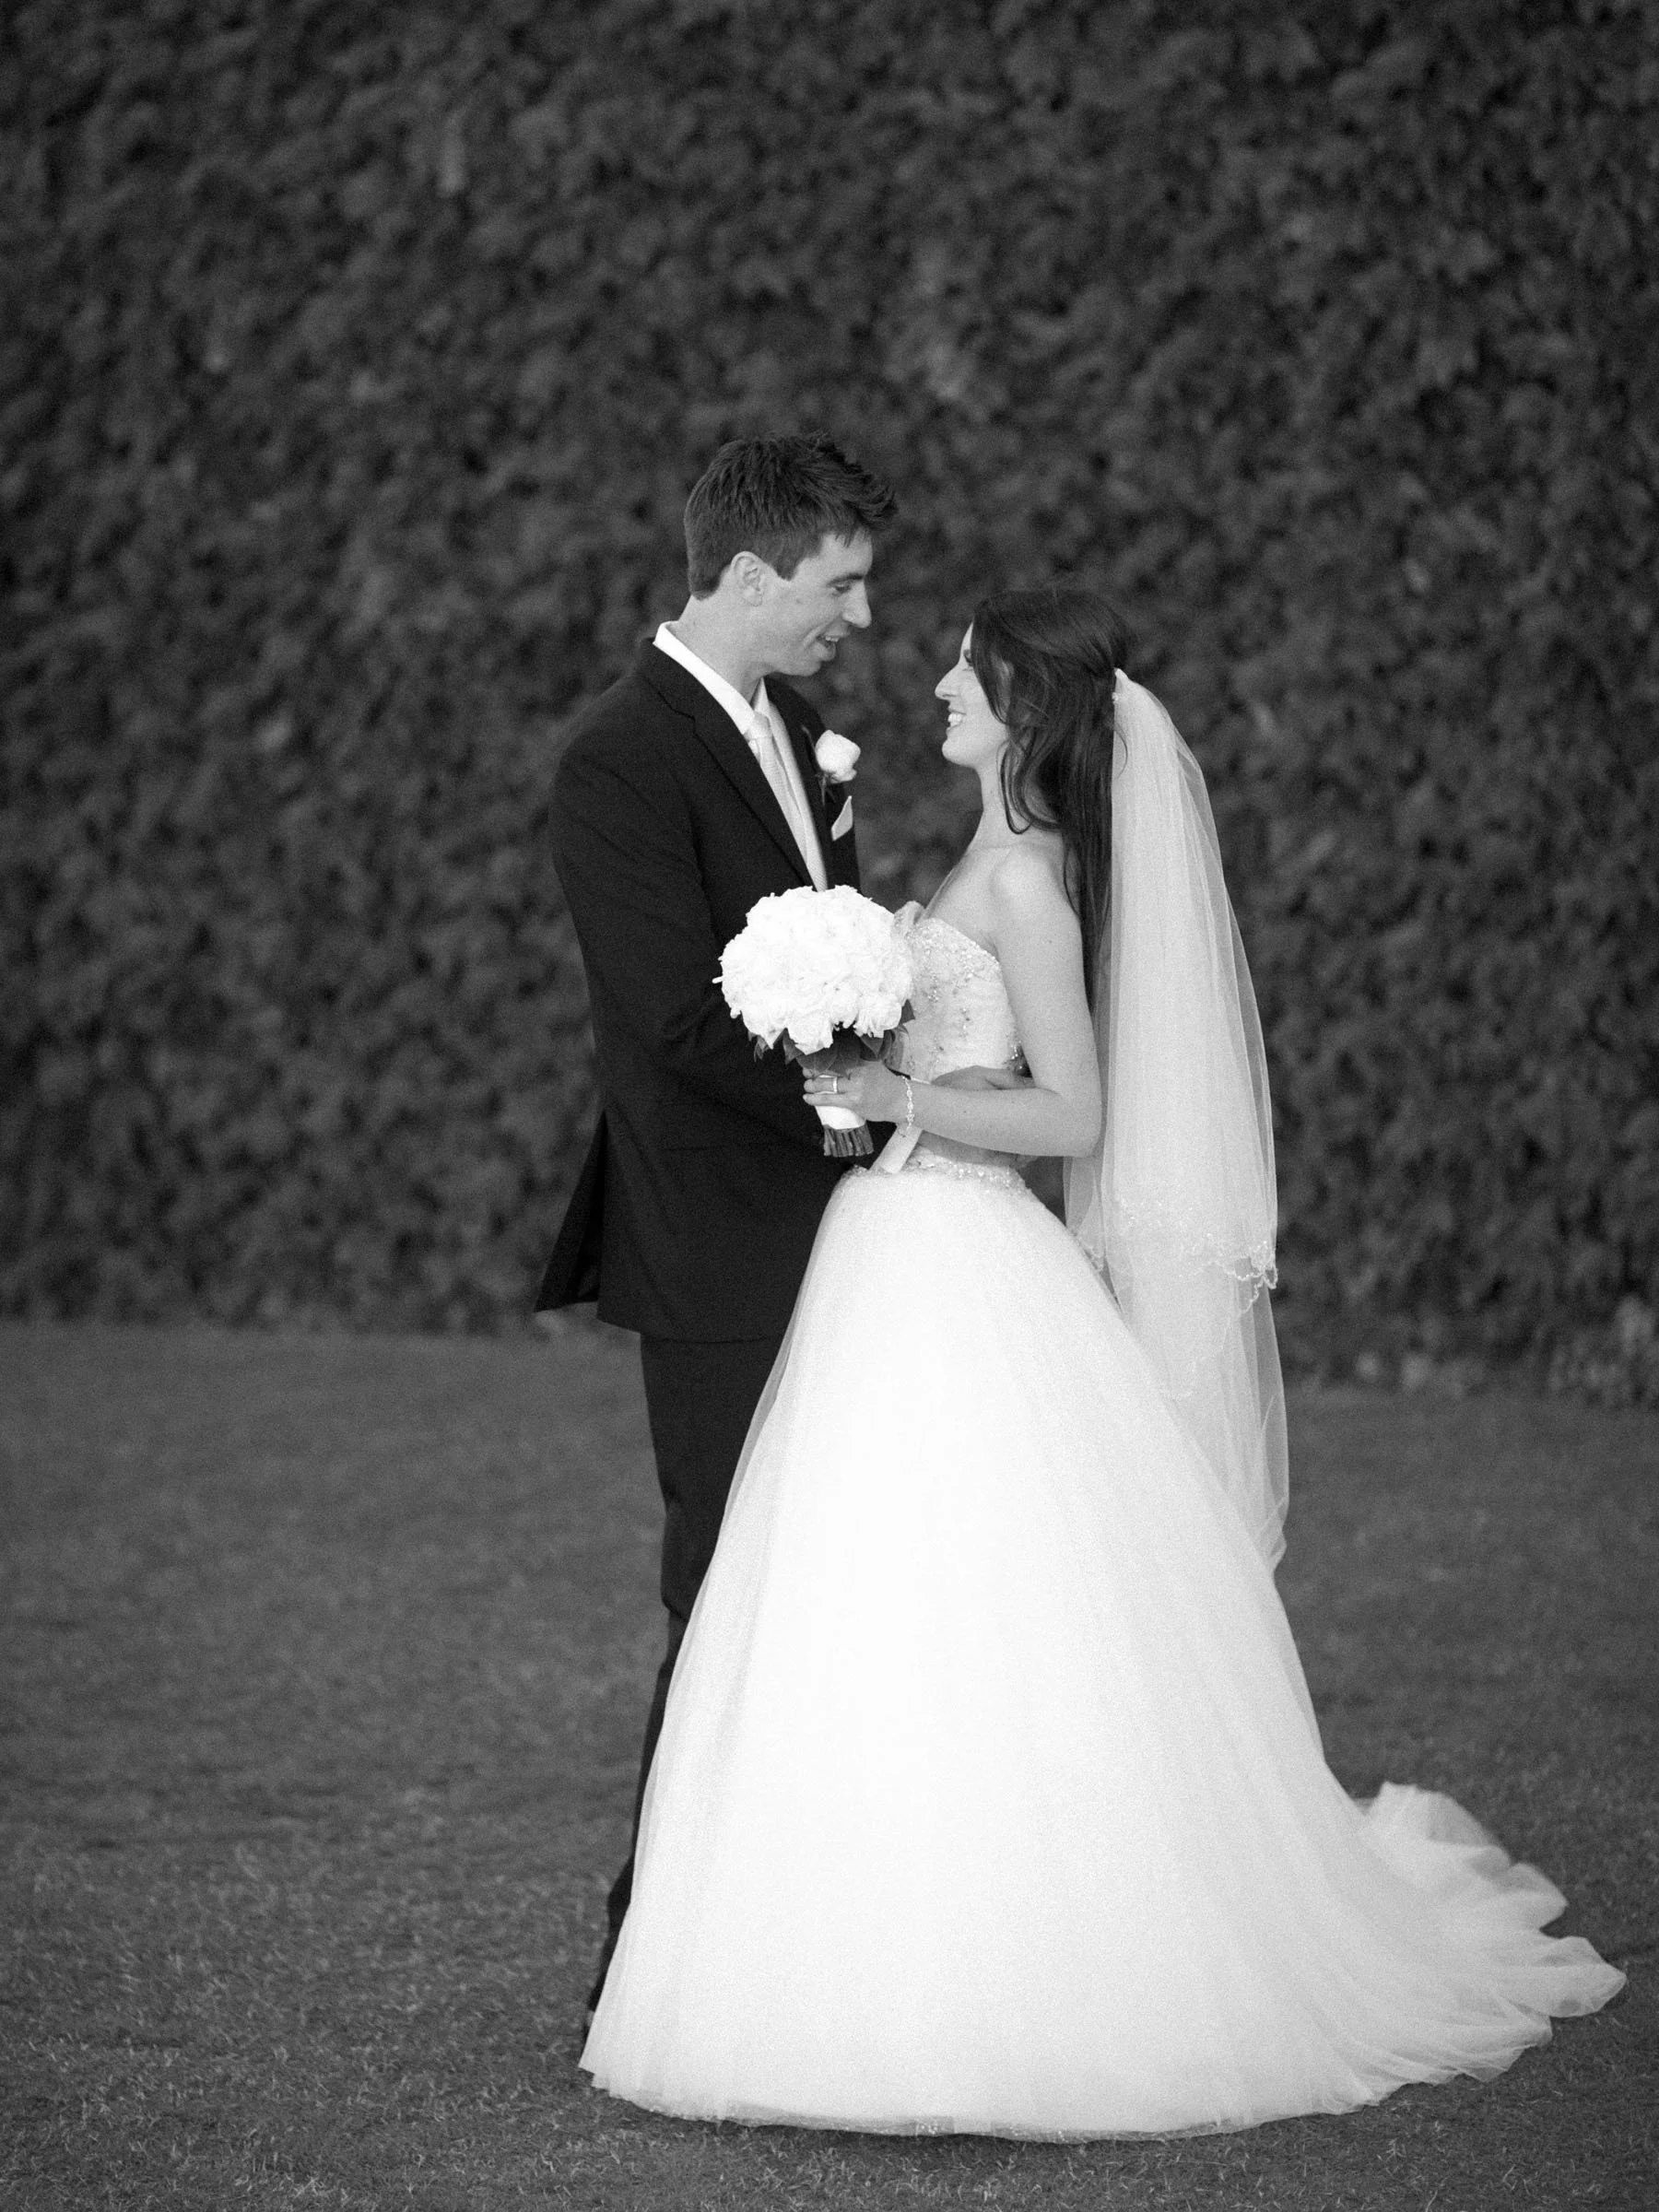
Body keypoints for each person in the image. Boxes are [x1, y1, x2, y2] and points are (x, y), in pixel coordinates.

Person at [579, 583, 1623, 2136]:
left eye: (970, 673)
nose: (937, 681)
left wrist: (894, 1095)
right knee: (862, 1597)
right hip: (891, 1257)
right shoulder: (992, 861)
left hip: (958, 1253)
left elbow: (1072, 1118)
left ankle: (1026, 1969)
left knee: (980, 1600)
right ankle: (846, 1956)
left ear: (1029, 711)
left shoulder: (1037, 891)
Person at [538, 433, 899, 2025]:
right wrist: (867, 1103)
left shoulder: (801, 728)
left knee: (836, 1584)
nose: (864, 617)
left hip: (841, 1232)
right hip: (716, 1244)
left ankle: (812, 1938)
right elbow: (675, 1022)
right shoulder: (618, 755)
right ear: (751, 574)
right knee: (727, 1588)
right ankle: (652, 1957)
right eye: (842, 583)